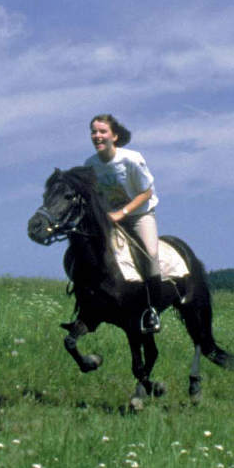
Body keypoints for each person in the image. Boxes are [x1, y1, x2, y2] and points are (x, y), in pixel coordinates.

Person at [85, 113, 164, 333]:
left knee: (150, 254)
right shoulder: (90, 165)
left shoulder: (131, 159)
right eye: (94, 132)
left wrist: (123, 212)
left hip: (139, 214)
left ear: (114, 136)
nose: (97, 136)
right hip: (111, 218)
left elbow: (146, 192)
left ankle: (152, 311)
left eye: (102, 131)